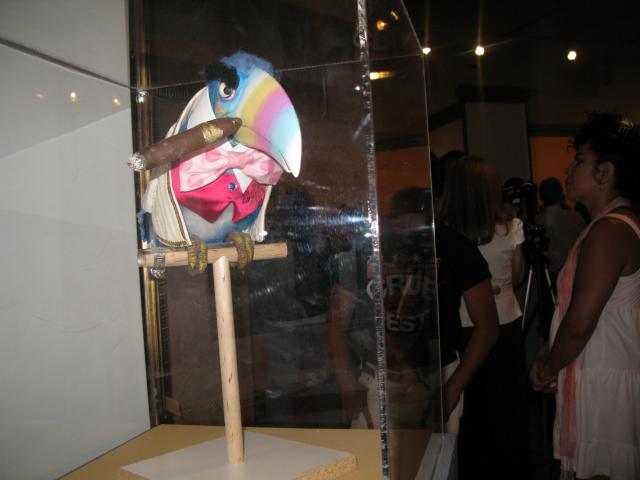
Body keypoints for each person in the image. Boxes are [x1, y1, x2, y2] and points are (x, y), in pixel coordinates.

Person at [327, 188, 499, 437]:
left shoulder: (453, 245)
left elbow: (488, 326)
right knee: (373, 458)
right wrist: (347, 384)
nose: (403, 224)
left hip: (435, 376)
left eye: (409, 216)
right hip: (378, 377)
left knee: (435, 459)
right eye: (397, 217)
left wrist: (452, 388)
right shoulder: (370, 244)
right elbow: (336, 321)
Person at [530, 112, 640, 480]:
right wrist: (551, 353)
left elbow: (580, 322)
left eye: (579, 161)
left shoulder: (610, 230)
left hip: (606, 384)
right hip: (600, 371)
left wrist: (548, 366)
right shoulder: (606, 226)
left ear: (604, 173)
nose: (569, 169)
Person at [437, 155, 530, 477]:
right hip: (504, 324)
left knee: (470, 415)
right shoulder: (510, 228)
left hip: (462, 328)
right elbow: (517, 278)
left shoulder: (447, 235)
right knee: (505, 411)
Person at [536, 177, 586, 278]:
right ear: (561, 194)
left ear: (541, 197)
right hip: (574, 271)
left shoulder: (537, 221)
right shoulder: (576, 217)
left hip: (549, 274)